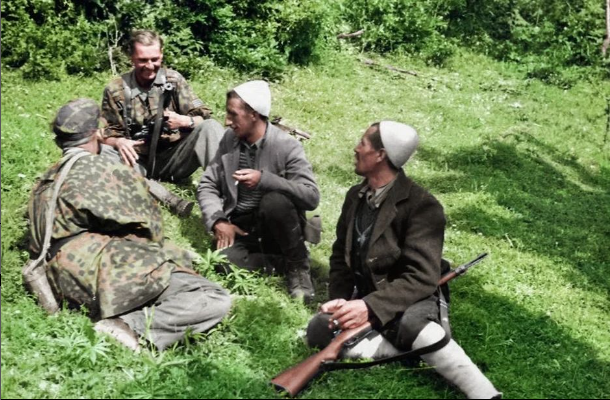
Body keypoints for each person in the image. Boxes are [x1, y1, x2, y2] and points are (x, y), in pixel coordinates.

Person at [305, 122, 501, 399]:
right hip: (365, 295)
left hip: (410, 296)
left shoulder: (423, 206)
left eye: (363, 143)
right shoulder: (354, 196)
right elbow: (340, 256)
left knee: (413, 326)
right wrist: (341, 300)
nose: (355, 148)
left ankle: (484, 392)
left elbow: (422, 278)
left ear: (380, 155)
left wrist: (370, 306)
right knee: (319, 329)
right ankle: (403, 353)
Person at [27, 98, 231, 351]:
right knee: (211, 297)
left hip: (59, 279)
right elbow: (151, 228)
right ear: (97, 132)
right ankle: (127, 327)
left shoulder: (47, 177)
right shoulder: (102, 169)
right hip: (93, 275)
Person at [197, 80, 320, 302]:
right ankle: (283, 265)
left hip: (277, 227)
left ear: (253, 114)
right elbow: (208, 184)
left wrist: (266, 180)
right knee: (221, 259)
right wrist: (219, 221)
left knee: (274, 201)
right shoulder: (230, 140)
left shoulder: (286, 146)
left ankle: (298, 267)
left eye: (233, 115)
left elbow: (311, 197)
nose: (227, 122)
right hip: (243, 228)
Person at [101, 30, 224, 215]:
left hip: (175, 158)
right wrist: (119, 142)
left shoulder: (173, 80)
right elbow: (107, 133)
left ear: (162, 54)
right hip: (135, 160)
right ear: (131, 58)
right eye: (143, 60)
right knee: (101, 151)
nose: (150, 66)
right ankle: (167, 198)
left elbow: (203, 118)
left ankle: (228, 197)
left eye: (155, 59)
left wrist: (185, 120)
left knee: (211, 127)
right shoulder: (115, 90)